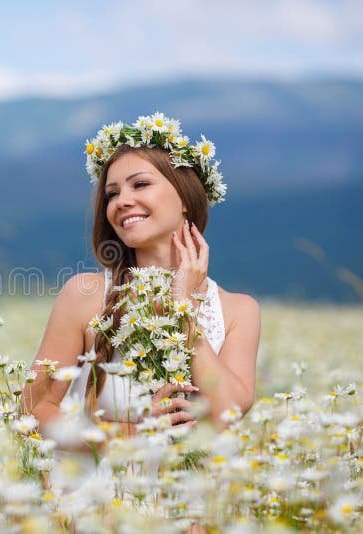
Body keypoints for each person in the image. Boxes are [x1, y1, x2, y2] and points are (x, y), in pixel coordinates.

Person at [22, 112, 261, 440]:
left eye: (141, 184)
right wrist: (131, 433)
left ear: (186, 198)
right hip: (104, 485)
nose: (122, 201)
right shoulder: (85, 294)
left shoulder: (239, 310)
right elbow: (33, 410)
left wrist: (183, 311)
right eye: (112, 193)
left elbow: (227, 415)